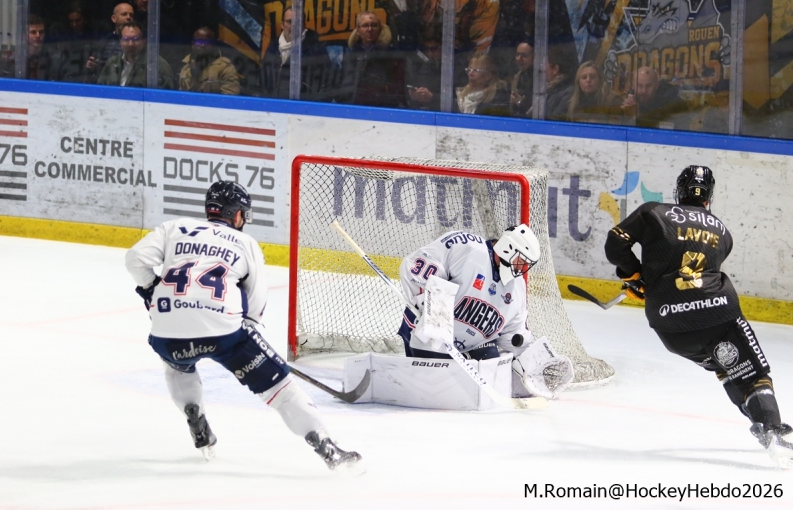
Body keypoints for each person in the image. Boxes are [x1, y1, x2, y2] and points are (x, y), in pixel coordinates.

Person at [125, 181, 363, 471]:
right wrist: (247, 340)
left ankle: (194, 414)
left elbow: (134, 259)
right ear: (237, 215)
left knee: (176, 366)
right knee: (282, 390)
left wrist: (151, 290)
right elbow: (256, 303)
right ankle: (328, 449)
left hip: (166, 332)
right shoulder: (245, 243)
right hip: (225, 334)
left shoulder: (173, 228)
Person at [604, 166, 793, 468]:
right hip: (717, 316)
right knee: (752, 377)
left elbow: (616, 245)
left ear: (679, 192)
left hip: (671, 328)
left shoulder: (653, 212)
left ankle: (763, 426)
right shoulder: (723, 233)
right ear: (709, 197)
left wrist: (635, 275)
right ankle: (772, 433)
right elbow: (695, 267)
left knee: (726, 370)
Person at [397, 225, 574, 399]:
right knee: (439, 392)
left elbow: (514, 335)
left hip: (472, 346)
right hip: (428, 337)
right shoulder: (467, 247)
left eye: (527, 264)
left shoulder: (517, 288)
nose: (522, 269)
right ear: (508, 248)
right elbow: (414, 267)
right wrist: (432, 312)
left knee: (494, 372)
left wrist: (535, 362)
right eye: (521, 261)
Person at [261, 8, 328, 100]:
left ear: (304, 25)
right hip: (273, 107)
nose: (293, 26)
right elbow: (262, 83)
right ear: (282, 25)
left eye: (297, 22)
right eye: (289, 22)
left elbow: (326, 86)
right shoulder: (272, 50)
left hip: (304, 107)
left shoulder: (316, 51)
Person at [345, 12, 406, 108]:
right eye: (365, 25)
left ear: (380, 29)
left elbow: (398, 85)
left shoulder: (391, 54)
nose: (370, 29)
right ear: (358, 30)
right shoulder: (350, 54)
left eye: (374, 25)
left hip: (383, 107)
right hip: (354, 108)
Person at [97, 22, 174, 89]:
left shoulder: (158, 66)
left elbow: (166, 96)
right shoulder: (112, 63)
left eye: (135, 39)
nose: (130, 44)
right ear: (120, 41)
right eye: (126, 39)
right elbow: (100, 90)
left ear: (143, 41)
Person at [621, 66, 689, 129]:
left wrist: (638, 116)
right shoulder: (629, 99)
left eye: (648, 86)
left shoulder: (672, 101)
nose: (644, 91)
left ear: (656, 85)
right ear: (633, 86)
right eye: (640, 86)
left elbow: (672, 129)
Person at [179, 27, 240, 95]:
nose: (202, 45)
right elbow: (181, 95)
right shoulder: (186, 67)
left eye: (207, 42)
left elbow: (230, 97)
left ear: (214, 45)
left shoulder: (225, 67)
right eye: (198, 42)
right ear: (193, 44)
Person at [86, 3, 135, 80]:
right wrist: (93, 66)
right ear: (114, 18)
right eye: (124, 14)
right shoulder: (103, 40)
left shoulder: (136, 42)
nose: (128, 17)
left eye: (131, 15)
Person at [405, 24, 442, 111]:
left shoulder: (456, 66)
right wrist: (414, 95)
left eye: (434, 49)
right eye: (426, 49)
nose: (430, 53)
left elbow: (459, 101)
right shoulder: (424, 65)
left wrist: (433, 98)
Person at [509, 39, 534, 117]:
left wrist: (521, 102)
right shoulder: (516, 78)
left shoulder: (542, 79)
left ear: (534, 57)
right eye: (517, 55)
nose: (519, 59)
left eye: (524, 55)